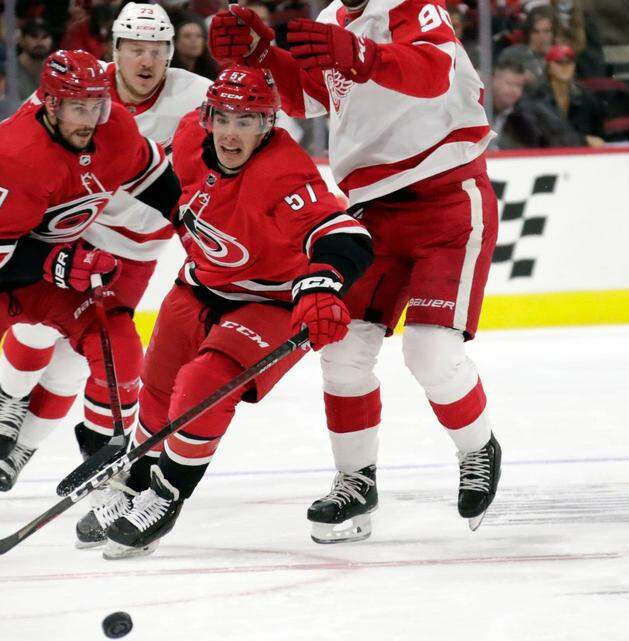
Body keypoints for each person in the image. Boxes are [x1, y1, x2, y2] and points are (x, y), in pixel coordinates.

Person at [210, 0, 503, 543]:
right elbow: (311, 97)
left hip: (448, 198)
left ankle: (477, 449)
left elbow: (435, 72)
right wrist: (263, 56)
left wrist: (365, 54)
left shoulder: (412, 5)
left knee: (430, 351)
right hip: (372, 209)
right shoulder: (330, 19)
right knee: (341, 351)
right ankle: (355, 483)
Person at [96, 66, 373, 558]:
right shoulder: (188, 135)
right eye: (222, 117)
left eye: (246, 121)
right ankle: (137, 479)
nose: (230, 131)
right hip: (200, 284)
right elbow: (174, 194)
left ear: (268, 125)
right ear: (206, 116)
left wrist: (322, 283)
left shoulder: (283, 170)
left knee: (201, 385)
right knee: (157, 388)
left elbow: (344, 234)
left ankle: (166, 494)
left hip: (267, 300)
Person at [0, 49, 182, 500]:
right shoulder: (17, 154)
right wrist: (60, 263)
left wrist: (185, 217)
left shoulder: (112, 126)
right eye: (78, 107)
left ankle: (103, 452)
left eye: (97, 105)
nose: (90, 119)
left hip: (47, 270)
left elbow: (150, 172)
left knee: (116, 340)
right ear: (50, 105)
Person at [0, 3, 212, 510]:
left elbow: (255, 129)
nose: (146, 61)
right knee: (36, 328)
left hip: (137, 253)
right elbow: (26, 133)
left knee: (74, 365)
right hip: (73, 230)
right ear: (116, 52)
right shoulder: (83, 87)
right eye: (135, 50)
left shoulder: (197, 96)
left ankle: (21, 451)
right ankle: (11, 396)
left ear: (170, 54)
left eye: (157, 51)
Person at [535, 44, 605, 147]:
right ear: (548, 67)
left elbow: (597, 133)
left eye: (569, 62)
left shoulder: (586, 98)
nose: (565, 67)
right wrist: (584, 139)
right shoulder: (537, 98)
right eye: (559, 62)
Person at [497, 6, 554, 83]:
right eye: (536, 32)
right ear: (529, 33)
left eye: (546, 31)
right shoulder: (513, 55)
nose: (542, 37)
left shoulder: (561, 57)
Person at [13, 18, 54, 102]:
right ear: (22, 40)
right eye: (34, 36)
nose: (40, 42)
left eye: (45, 37)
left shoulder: (56, 71)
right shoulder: (9, 70)